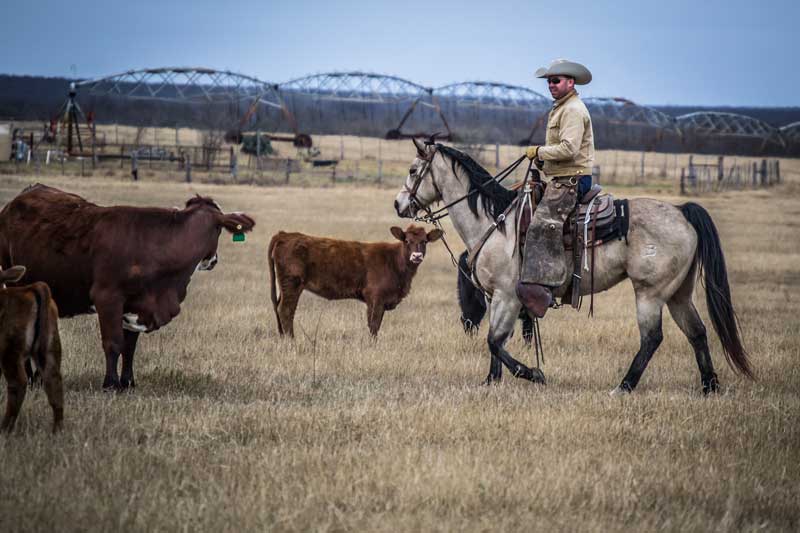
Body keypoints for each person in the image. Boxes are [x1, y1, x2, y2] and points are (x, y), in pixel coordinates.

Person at [516, 59, 595, 319]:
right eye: (549, 81)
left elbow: (570, 148)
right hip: (561, 177)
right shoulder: (561, 108)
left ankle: (543, 289)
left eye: (556, 80)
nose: (551, 85)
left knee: (541, 225)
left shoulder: (572, 109)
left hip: (571, 181)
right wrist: (542, 159)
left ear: (570, 82)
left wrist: (538, 151)